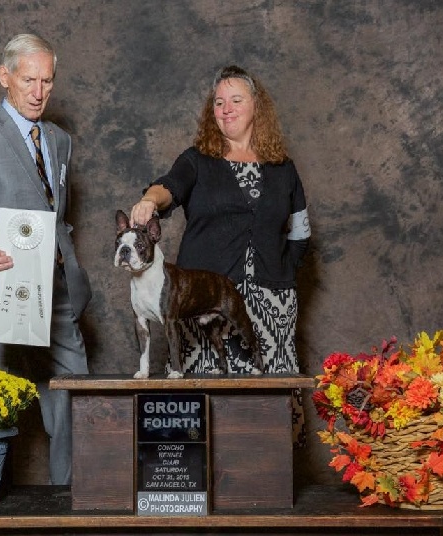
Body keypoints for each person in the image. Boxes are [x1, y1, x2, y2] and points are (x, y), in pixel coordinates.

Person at [129, 65, 311, 446]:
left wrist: (285, 273)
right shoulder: (196, 160)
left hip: (272, 304)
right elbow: (168, 187)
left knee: (268, 409)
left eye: (236, 100)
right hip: (204, 299)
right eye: (218, 102)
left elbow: (300, 232)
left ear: (256, 107)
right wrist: (149, 200)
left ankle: (269, 486)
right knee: (204, 412)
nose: (226, 109)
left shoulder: (284, 169)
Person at [0, 33, 91, 484]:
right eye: (29, 79)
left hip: (58, 297)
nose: (38, 92)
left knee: (74, 402)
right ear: (4, 77)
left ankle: (72, 504)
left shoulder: (59, 140)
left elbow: (58, 215)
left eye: (47, 81)